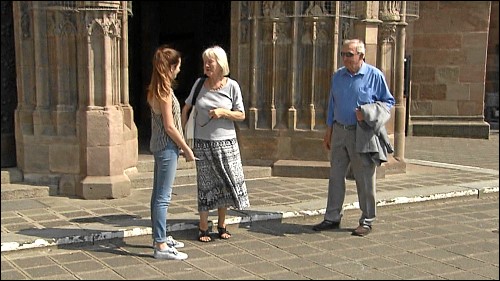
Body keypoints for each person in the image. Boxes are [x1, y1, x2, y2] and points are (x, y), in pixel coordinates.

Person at [313, 39, 395, 236]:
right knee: (335, 176)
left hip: (362, 132)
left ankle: (366, 220)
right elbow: (332, 104)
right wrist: (329, 129)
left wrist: (368, 112)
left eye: (349, 54)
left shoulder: (374, 75)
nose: (345, 58)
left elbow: (388, 102)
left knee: (365, 178)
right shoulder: (338, 76)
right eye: (342, 54)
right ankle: (332, 217)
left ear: (361, 55)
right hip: (340, 131)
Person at [181, 45, 250, 242]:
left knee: (225, 184)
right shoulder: (199, 84)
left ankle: (222, 223)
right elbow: (186, 108)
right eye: (205, 62)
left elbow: (241, 114)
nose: (206, 65)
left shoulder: (232, 86)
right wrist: (184, 137)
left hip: (227, 143)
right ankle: (203, 226)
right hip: (203, 144)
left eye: (210, 61)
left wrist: (223, 113)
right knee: (205, 185)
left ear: (220, 64)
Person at [147, 45, 196, 259]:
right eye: (178, 67)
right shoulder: (164, 91)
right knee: (163, 197)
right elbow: (169, 126)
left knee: (158, 195)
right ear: (171, 66)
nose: (179, 71)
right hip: (167, 147)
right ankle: (160, 245)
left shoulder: (156, 88)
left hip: (161, 146)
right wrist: (186, 148)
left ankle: (161, 236)